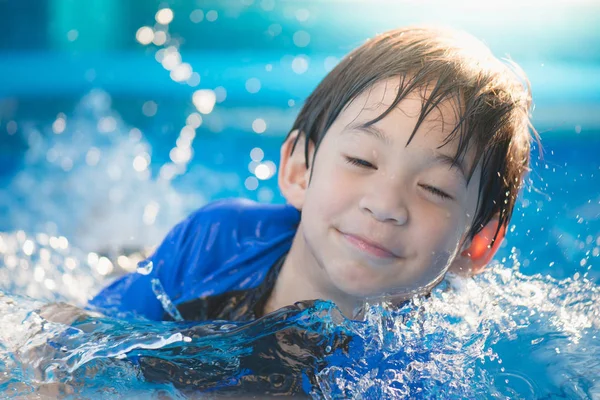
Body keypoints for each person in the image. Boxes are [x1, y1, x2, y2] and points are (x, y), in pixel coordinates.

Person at [34, 25, 537, 396]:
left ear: (479, 244)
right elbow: (75, 345)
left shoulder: (422, 370)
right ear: (299, 170)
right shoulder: (218, 241)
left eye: (435, 189)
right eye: (362, 160)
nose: (385, 205)